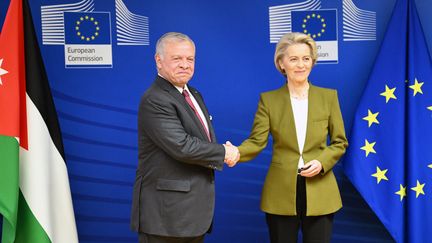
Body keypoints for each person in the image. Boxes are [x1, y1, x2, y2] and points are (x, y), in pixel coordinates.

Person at [229, 32, 348, 243]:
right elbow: (257, 142)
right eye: (293, 59)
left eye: (306, 58)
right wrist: (236, 152)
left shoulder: (329, 97)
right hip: (280, 193)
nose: (301, 65)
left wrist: (321, 162)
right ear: (281, 64)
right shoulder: (268, 100)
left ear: (312, 62)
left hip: (321, 191)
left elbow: (339, 142)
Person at [130, 32, 239, 243]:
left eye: (190, 59)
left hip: (191, 214)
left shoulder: (193, 93)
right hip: (167, 217)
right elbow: (182, 146)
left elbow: (200, 139)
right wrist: (224, 151)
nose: (185, 65)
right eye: (177, 58)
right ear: (158, 61)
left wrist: (220, 150)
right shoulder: (155, 99)